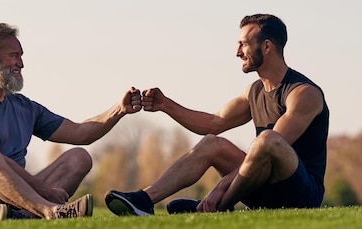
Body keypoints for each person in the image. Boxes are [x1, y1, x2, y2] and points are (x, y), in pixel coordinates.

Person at [104, 14, 329, 215]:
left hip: (300, 194)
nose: (237, 52)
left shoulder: (303, 93)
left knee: (267, 140)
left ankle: (216, 207)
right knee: (212, 143)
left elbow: (269, 149)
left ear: (267, 46)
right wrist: (166, 104)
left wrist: (220, 188)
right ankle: (144, 200)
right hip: (262, 187)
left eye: (243, 44)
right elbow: (213, 123)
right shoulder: (254, 91)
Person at [0, 23, 143, 220]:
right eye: (14, 56)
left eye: (21, 56)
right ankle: (49, 211)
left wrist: (119, 109)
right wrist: (44, 190)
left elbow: (80, 133)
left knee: (79, 157)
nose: (21, 64)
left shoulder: (25, 107)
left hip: (13, 197)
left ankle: (21, 216)